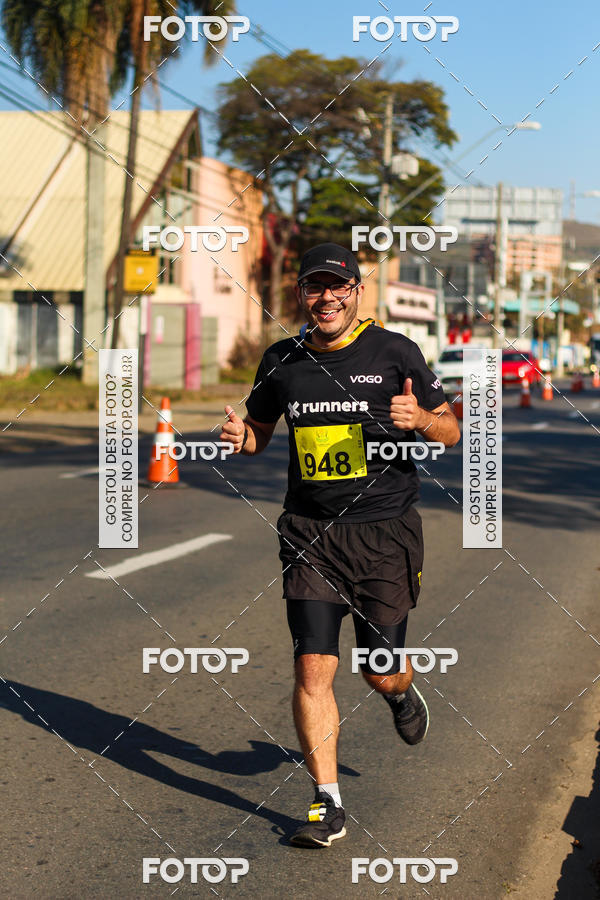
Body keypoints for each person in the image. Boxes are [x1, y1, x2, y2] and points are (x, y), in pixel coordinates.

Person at [219, 242, 460, 847]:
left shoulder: (393, 352)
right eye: (314, 288)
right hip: (310, 534)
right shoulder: (283, 360)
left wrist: (421, 421)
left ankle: (402, 697)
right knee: (312, 666)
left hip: (384, 533)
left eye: (339, 287)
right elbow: (260, 436)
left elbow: (451, 429)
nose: (327, 297)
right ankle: (326, 802)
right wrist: (239, 437)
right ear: (301, 295)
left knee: (379, 670)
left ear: (357, 292)